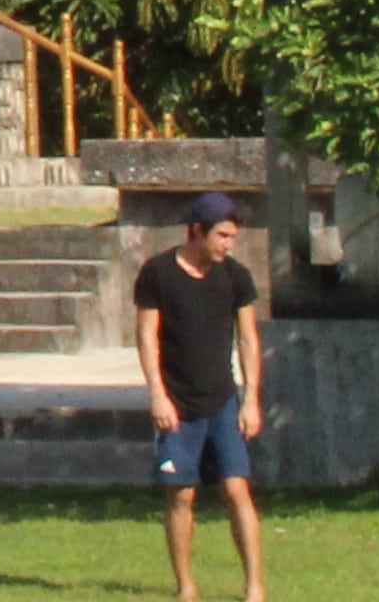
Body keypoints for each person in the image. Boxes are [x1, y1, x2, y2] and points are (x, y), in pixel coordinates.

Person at [135, 191, 265, 602]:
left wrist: (251, 399)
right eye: (223, 236)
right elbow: (146, 338)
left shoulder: (236, 277)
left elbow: (248, 339)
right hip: (178, 405)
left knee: (236, 490)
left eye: (232, 237)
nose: (229, 244)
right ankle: (186, 587)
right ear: (197, 232)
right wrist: (157, 395)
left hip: (223, 400)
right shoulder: (157, 274)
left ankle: (255, 587)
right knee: (182, 494)